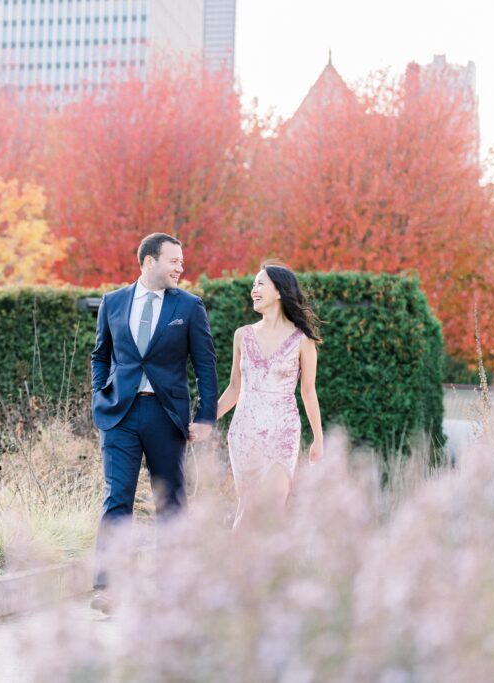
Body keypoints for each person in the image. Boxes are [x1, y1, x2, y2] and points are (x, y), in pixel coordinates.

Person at [89, 232, 219, 613]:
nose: (181, 267)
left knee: (172, 500)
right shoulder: (112, 302)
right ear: (149, 261)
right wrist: (101, 394)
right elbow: (101, 355)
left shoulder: (190, 307)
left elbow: (205, 366)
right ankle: (107, 586)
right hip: (121, 415)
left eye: (181, 261)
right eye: (174, 260)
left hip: (166, 416)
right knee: (117, 497)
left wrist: (206, 416)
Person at [216, 262, 323, 528]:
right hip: (245, 432)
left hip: (282, 432)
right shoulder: (242, 335)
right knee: (248, 510)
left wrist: (318, 439)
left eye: (260, 283)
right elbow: (234, 388)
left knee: (273, 509)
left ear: (279, 291)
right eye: (253, 284)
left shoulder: (303, 341)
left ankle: (270, 568)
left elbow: (308, 392)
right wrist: (205, 420)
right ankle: (237, 568)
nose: (254, 289)